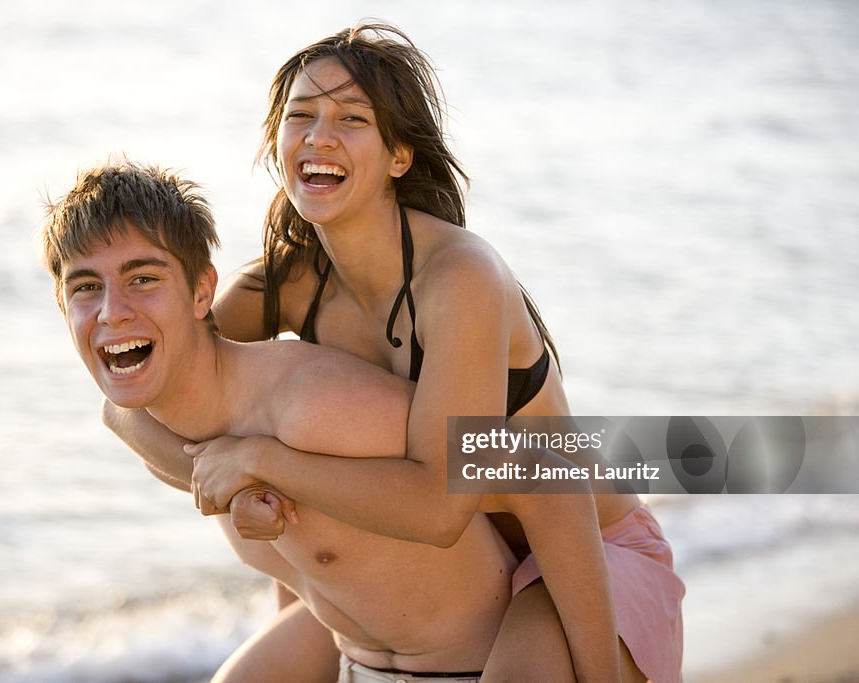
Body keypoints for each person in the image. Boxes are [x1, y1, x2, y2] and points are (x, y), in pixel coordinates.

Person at [104, 23, 684, 683]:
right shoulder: (285, 283)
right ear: (278, 143)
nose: (319, 136)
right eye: (301, 116)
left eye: (351, 118)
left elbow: (440, 506)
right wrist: (233, 481)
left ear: (399, 155)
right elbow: (146, 391)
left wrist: (259, 462)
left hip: (582, 556)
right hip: (460, 573)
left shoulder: (459, 277)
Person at [44, 160, 613, 682]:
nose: (112, 311)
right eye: (86, 287)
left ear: (202, 292)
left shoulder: (311, 404)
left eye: (143, 278)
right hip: (357, 660)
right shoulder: (196, 437)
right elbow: (119, 414)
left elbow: (551, 481)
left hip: (481, 660)